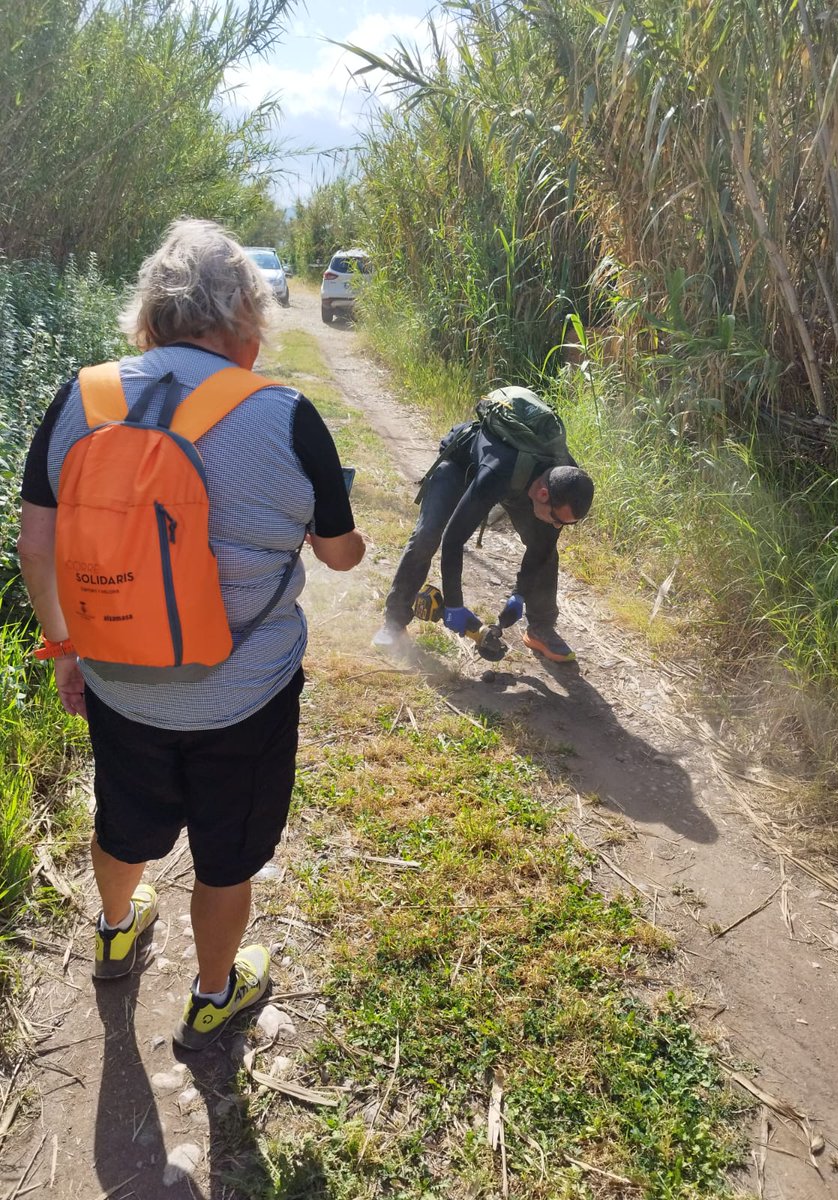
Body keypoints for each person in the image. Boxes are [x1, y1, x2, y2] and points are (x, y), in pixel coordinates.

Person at [17, 219, 365, 1049]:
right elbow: (342, 557)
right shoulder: (286, 415)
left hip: (119, 681)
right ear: (247, 316)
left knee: (121, 820)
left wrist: (66, 648)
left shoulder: (81, 397)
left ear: (150, 315)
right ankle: (214, 991)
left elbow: (36, 545)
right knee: (227, 852)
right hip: (243, 699)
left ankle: (114, 926)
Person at [373, 403, 594, 663]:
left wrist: (520, 593)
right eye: (558, 520)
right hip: (462, 468)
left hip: (524, 484)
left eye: (567, 524)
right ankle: (394, 622)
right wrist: (454, 604)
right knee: (428, 533)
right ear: (543, 494)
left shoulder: (566, 477)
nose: (559, 526)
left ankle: (541, 628)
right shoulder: (497, 472)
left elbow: (542, 547)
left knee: (546, 547)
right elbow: (454, 540)